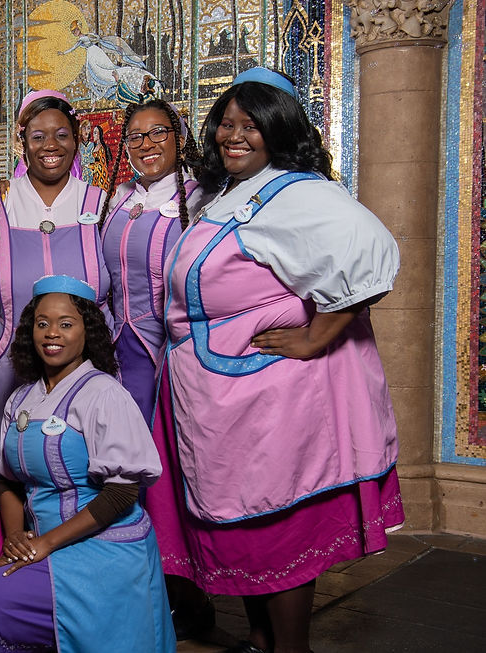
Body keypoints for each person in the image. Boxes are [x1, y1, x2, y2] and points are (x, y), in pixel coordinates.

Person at [166, 67, 404, 653]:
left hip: (271, 395)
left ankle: (288, 648)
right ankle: (261, 639)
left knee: (278, 530)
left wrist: (315, 338)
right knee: (250, 529)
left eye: (252, 126)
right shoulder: (224, 191)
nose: (234, 136)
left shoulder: (296, 191)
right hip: (223, 389)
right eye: (226, 123)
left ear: (279, 131)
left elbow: (369, 252)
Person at [0, 275, 175, 653]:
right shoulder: (22, 398)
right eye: (42, 323)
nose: (52, 333)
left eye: (66, 324)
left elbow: (122, 492)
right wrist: (14, 536)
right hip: (42, 545)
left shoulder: (103, 394)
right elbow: (8, 480)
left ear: (89, 331)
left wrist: (46, 544)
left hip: (102, 548)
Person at [98, 98, 213, 639]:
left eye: (158, 132)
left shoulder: (202, 198)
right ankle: (128, 583)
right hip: (117, 357)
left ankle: (183, 592)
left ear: (180, 136)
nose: (146, 144)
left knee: (166, 474)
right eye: (136, 135)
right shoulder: (119, 201)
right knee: (118, 468)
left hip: (167, 359)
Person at [0, 89, 111, 448]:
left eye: (62, 135)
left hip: (90, 368)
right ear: (23, 142)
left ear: (77, 140)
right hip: (9, 366)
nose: (51, 145)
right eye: (38, 136)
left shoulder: (100, 203)